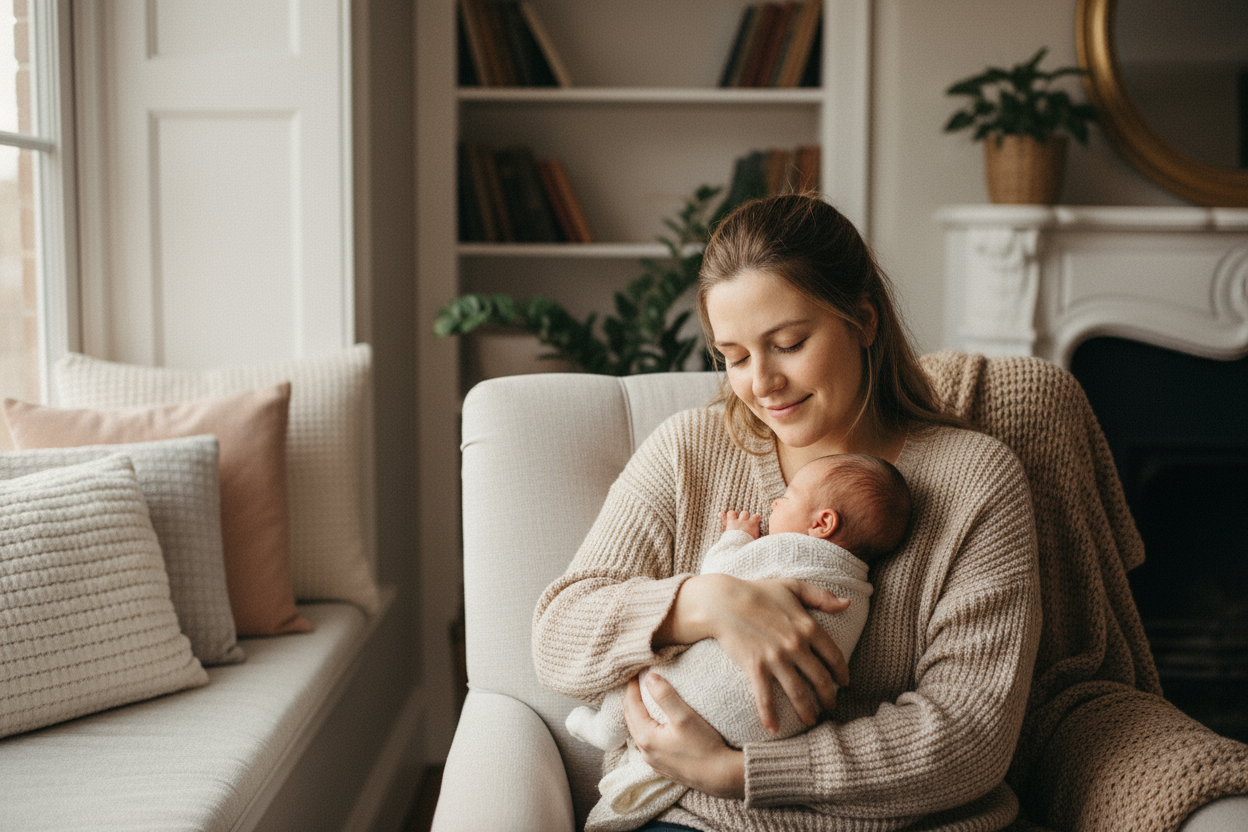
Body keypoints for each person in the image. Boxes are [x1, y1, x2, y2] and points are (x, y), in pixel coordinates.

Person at [532, 193, 1042, 832]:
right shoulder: (688, 451)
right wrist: (712, 604)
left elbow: (970, 736)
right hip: (694, 823)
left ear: (863, 321)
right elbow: (558, 637)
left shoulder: (974, 480)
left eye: (789, 343)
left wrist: (739, 771)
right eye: (736, 357)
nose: (762, 383)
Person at [566, 453, 912, 832]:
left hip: (726, 721)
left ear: (822, 523)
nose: (775, 503)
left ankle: (605, 728)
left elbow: (722, 571)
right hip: (768, 731)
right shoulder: (856, 590)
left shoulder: (792, 550)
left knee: (649, 678)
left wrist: (736, 538)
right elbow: (563, 626)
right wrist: (701, 604)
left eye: (789, 497)